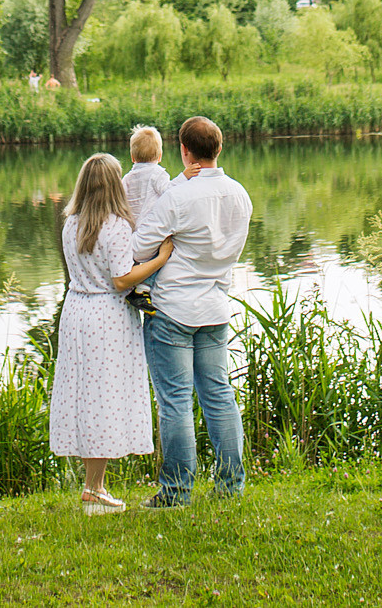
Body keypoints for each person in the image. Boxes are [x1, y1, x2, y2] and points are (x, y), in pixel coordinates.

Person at [129, 116, 253, 508]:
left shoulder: (177, 196)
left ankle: (176, 492)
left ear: (184, 151)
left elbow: (138, 247)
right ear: (219, 148)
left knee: (176, 401)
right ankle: (230, 486)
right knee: (219, 394)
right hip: (216, 308)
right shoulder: (240, 195)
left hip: (173, 310)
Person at [49, 152, 173, 513]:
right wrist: (160, 259)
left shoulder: (71, 223)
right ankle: (94, 488)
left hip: (76, 311)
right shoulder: (116, 227)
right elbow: (121, 280)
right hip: (107, 316)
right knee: (104, 396)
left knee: (85, 395)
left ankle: (94, 485)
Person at [123, 126, 171, 227]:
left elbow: (120, 200)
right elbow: (170, 194)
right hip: (151, 226)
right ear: (160, 156)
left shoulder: (127, 178)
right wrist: (183, 177)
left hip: (131, 226)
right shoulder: (158, 174)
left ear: (132, 157)